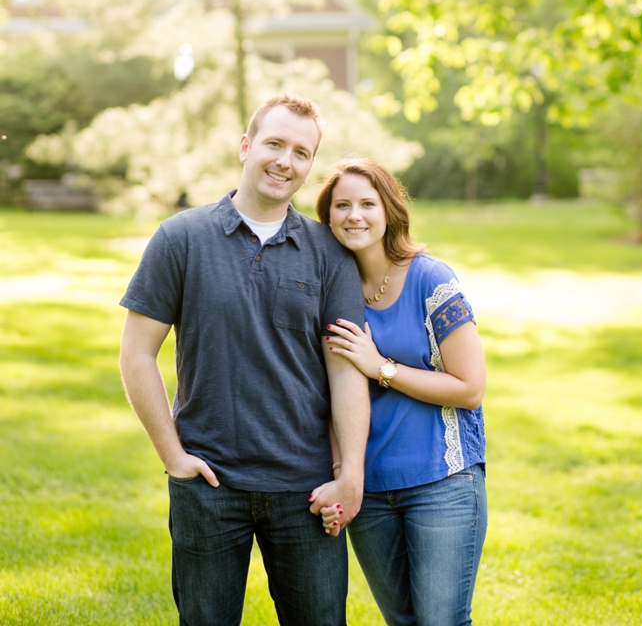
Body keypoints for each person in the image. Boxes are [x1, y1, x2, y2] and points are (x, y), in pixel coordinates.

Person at [118, 94, 369, 626]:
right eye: (275, 144)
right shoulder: (180, 238)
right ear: (245, 146)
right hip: (209, 486)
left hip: (306, 488)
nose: (285, 161)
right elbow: (137, 353)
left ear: (309, 167)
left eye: (301, 152)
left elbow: (346, 371)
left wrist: (351, 474)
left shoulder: (328, 253)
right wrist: (172, 455)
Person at [314, 158, 488, 626]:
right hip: (369, 491)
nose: (355, 215)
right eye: (342, 205)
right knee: (401, 620)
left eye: (367, 203)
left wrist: (381, 367)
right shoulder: (329, 288)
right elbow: (327, 394)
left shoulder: (431, 279)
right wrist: (341, 476)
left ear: (389, 210)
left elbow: (470, 388)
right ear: (326, 216)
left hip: (442, 483)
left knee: (440, 621)